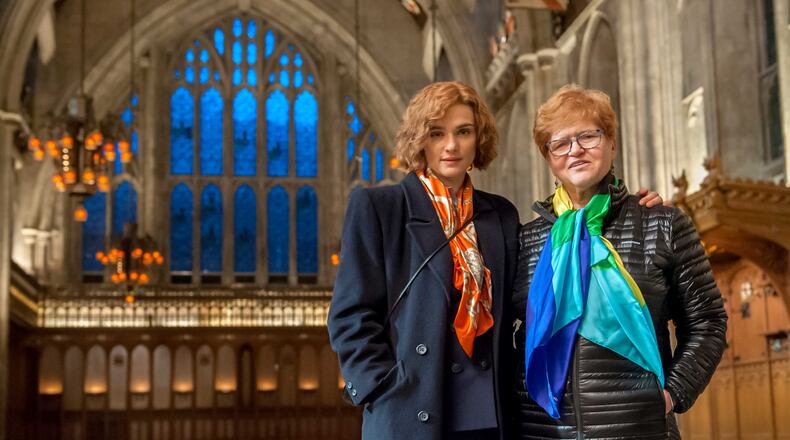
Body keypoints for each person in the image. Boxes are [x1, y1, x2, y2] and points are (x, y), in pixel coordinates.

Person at [327, 81, 664, 440]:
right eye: (437, 133)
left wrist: (630, 210)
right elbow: (350, 316)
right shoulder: (381, 209)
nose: (451, 145)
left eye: (464, 132)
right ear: (420, 140)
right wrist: (381, 387)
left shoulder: (500, 214)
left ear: (479, 140)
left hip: (492, 414)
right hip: (411, 409)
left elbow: (541, 288)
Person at [511, 84, 728, 439]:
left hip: (638, 428)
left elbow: (708, 322)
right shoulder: (526, 239)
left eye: (588, 137)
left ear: (612, 144)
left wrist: (673, 394)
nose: (575, 150)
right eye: (560, 143)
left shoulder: (663, 224)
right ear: (548, 157)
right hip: (543, 432)